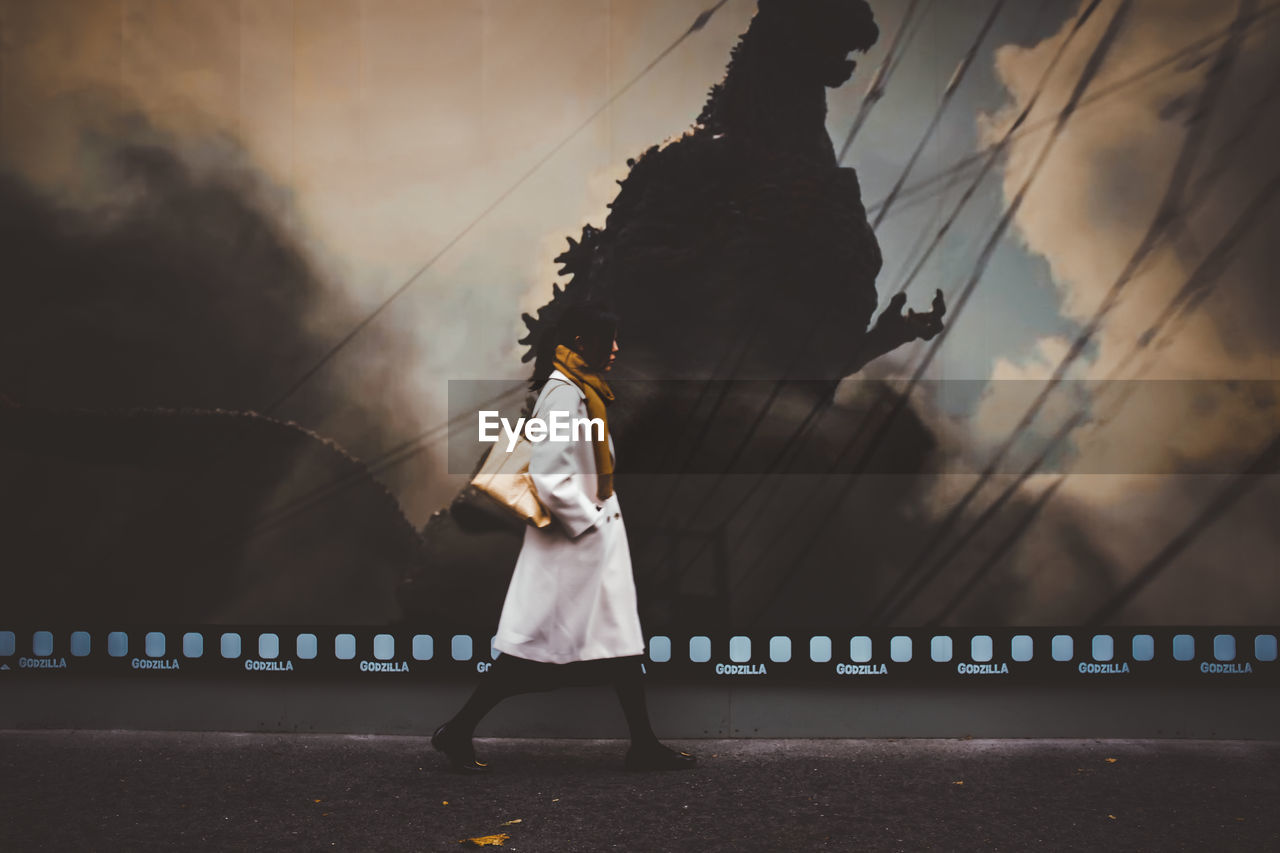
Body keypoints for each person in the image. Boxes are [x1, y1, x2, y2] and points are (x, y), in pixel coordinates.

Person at [432, 303, 696, 773]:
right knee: (537, 656)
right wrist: (590, 522)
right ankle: (457, 730)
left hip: (590, 546)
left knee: (620, 646)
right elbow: (550, 475)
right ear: (581, 343)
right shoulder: (564, 394)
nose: (615, 349)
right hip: (574, 548)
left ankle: (643, 744)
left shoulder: (582, 391)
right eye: (607, 339)